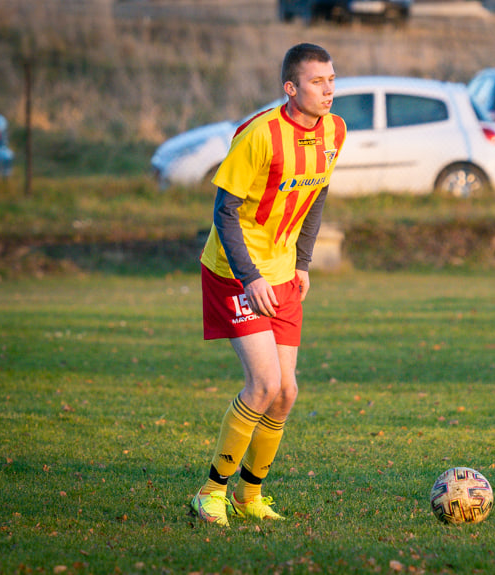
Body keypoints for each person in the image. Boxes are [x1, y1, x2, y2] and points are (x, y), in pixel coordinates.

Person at [190, 43, 346, 527]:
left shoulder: (335, 132)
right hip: (234, 271)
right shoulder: (258, 135)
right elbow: (224, 211)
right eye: (318, 81)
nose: (329, 89)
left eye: (332, 79)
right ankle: (209, 493)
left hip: (282, 272)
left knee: (286, 393)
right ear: (291, 88)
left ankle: (248, 496)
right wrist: (250, 276)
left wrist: (302, 262)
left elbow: (316, 194)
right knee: (263, 385)